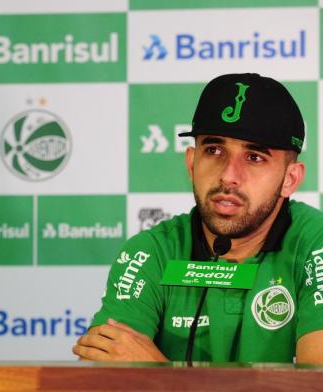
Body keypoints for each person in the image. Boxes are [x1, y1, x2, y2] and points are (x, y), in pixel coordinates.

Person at [73, 73, 323, 364]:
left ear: (290, 179)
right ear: (192, 162)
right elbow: (98, 376)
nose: (228, 175)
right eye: (214, 150)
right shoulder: (152, 251)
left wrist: (162, 374)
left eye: (254, 157)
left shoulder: (315, 243)